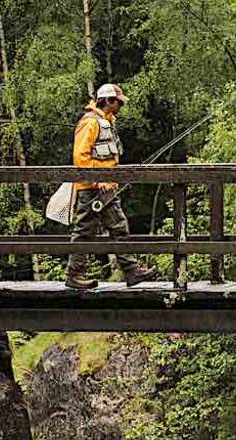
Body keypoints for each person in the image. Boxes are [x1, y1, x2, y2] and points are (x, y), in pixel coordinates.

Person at [66, 83, 157, 289]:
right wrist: (98, 181)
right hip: (91, 188)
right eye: (118, 102)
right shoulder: (90, 123)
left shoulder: (106, 122)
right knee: (85, 230)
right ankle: (74, 275)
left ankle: (131, 271)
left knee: (119, 226)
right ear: (107, 101)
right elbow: (80, 157)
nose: (120, 106)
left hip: (106, 188)